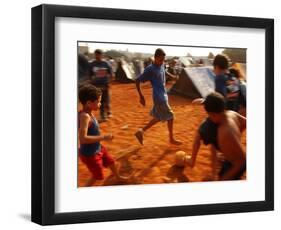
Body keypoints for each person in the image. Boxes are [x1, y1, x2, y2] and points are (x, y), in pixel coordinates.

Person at [78, 84, 130, 186]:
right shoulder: (85, 116)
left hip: (98, 148)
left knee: (111, 162)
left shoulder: (88, 112)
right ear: (89, 103)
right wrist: (104, 137)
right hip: (90, 155)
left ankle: (118, 177)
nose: (100, 104)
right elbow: (83, 139)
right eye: (99, 101)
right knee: (98, 175)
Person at [189, 92, 246, 181]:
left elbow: (242, 161)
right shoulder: (231, 113)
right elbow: (245, 122)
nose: (209, 118)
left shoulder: (225, 132)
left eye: (209, 115)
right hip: (231, 154)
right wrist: (238, 134)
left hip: (235, 164)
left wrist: (223, 179)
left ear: (213, 114)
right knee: (210, 141)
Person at [134, 48, 182, 145]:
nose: (162, 62)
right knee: (171, 116)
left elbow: (164, 70)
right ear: (155, 58)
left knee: (158, 118)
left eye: (163, 60)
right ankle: (171, 139)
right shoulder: (150, 69)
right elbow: (137, 80)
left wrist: (172, 76)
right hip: (159, 98)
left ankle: (140, 131)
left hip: (163, 95)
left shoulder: (161, 64)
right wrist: (141, 96)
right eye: (160, 60)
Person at [89, 49, 113, 122]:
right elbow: (89, 74)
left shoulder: (106, 63)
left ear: (101, 55)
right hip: (96, 85)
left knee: (104, 100)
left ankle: (105, 114)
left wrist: (109, 82)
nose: (97, 56)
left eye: (99, 55)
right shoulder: (92, 64)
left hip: (104, 84)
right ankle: (104, 114)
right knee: (98, 100)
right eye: (96, 55)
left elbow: (111, 73)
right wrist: (90, 81)